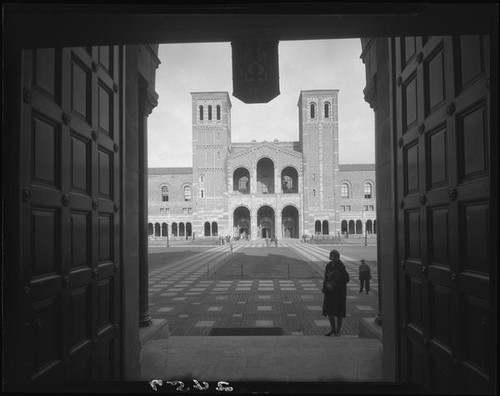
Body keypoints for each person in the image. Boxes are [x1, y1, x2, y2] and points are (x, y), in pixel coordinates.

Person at [322, 249, 350, 336]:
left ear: (338, 257)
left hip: (339, 293)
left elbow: (345, 279)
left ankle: (338, 331)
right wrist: (324, 287)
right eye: (331, 256)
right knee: (330, 311)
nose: (332, 258)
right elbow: (326, 278)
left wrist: (334, 284)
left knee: (339, 312)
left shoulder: (341, 266)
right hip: (329, 292)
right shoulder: (329, 265)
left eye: (334, 256)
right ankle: (333, 329)